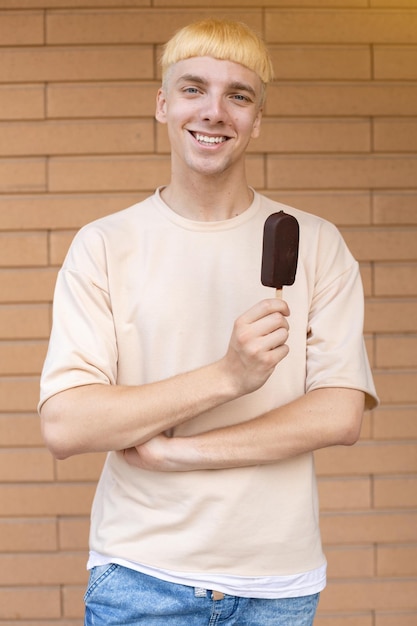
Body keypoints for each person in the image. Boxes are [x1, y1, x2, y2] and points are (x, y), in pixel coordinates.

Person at [39, 19, 378, 626]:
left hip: (278, 583)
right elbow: (67, 423)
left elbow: (339, 413)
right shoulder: (105, 247)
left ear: (257, 119)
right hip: (141, 577)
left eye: (238, 95)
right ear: (163, 105)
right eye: (194, 89)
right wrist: (227, 376)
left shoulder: (318, 244)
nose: (215, 111)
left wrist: (181, 455)